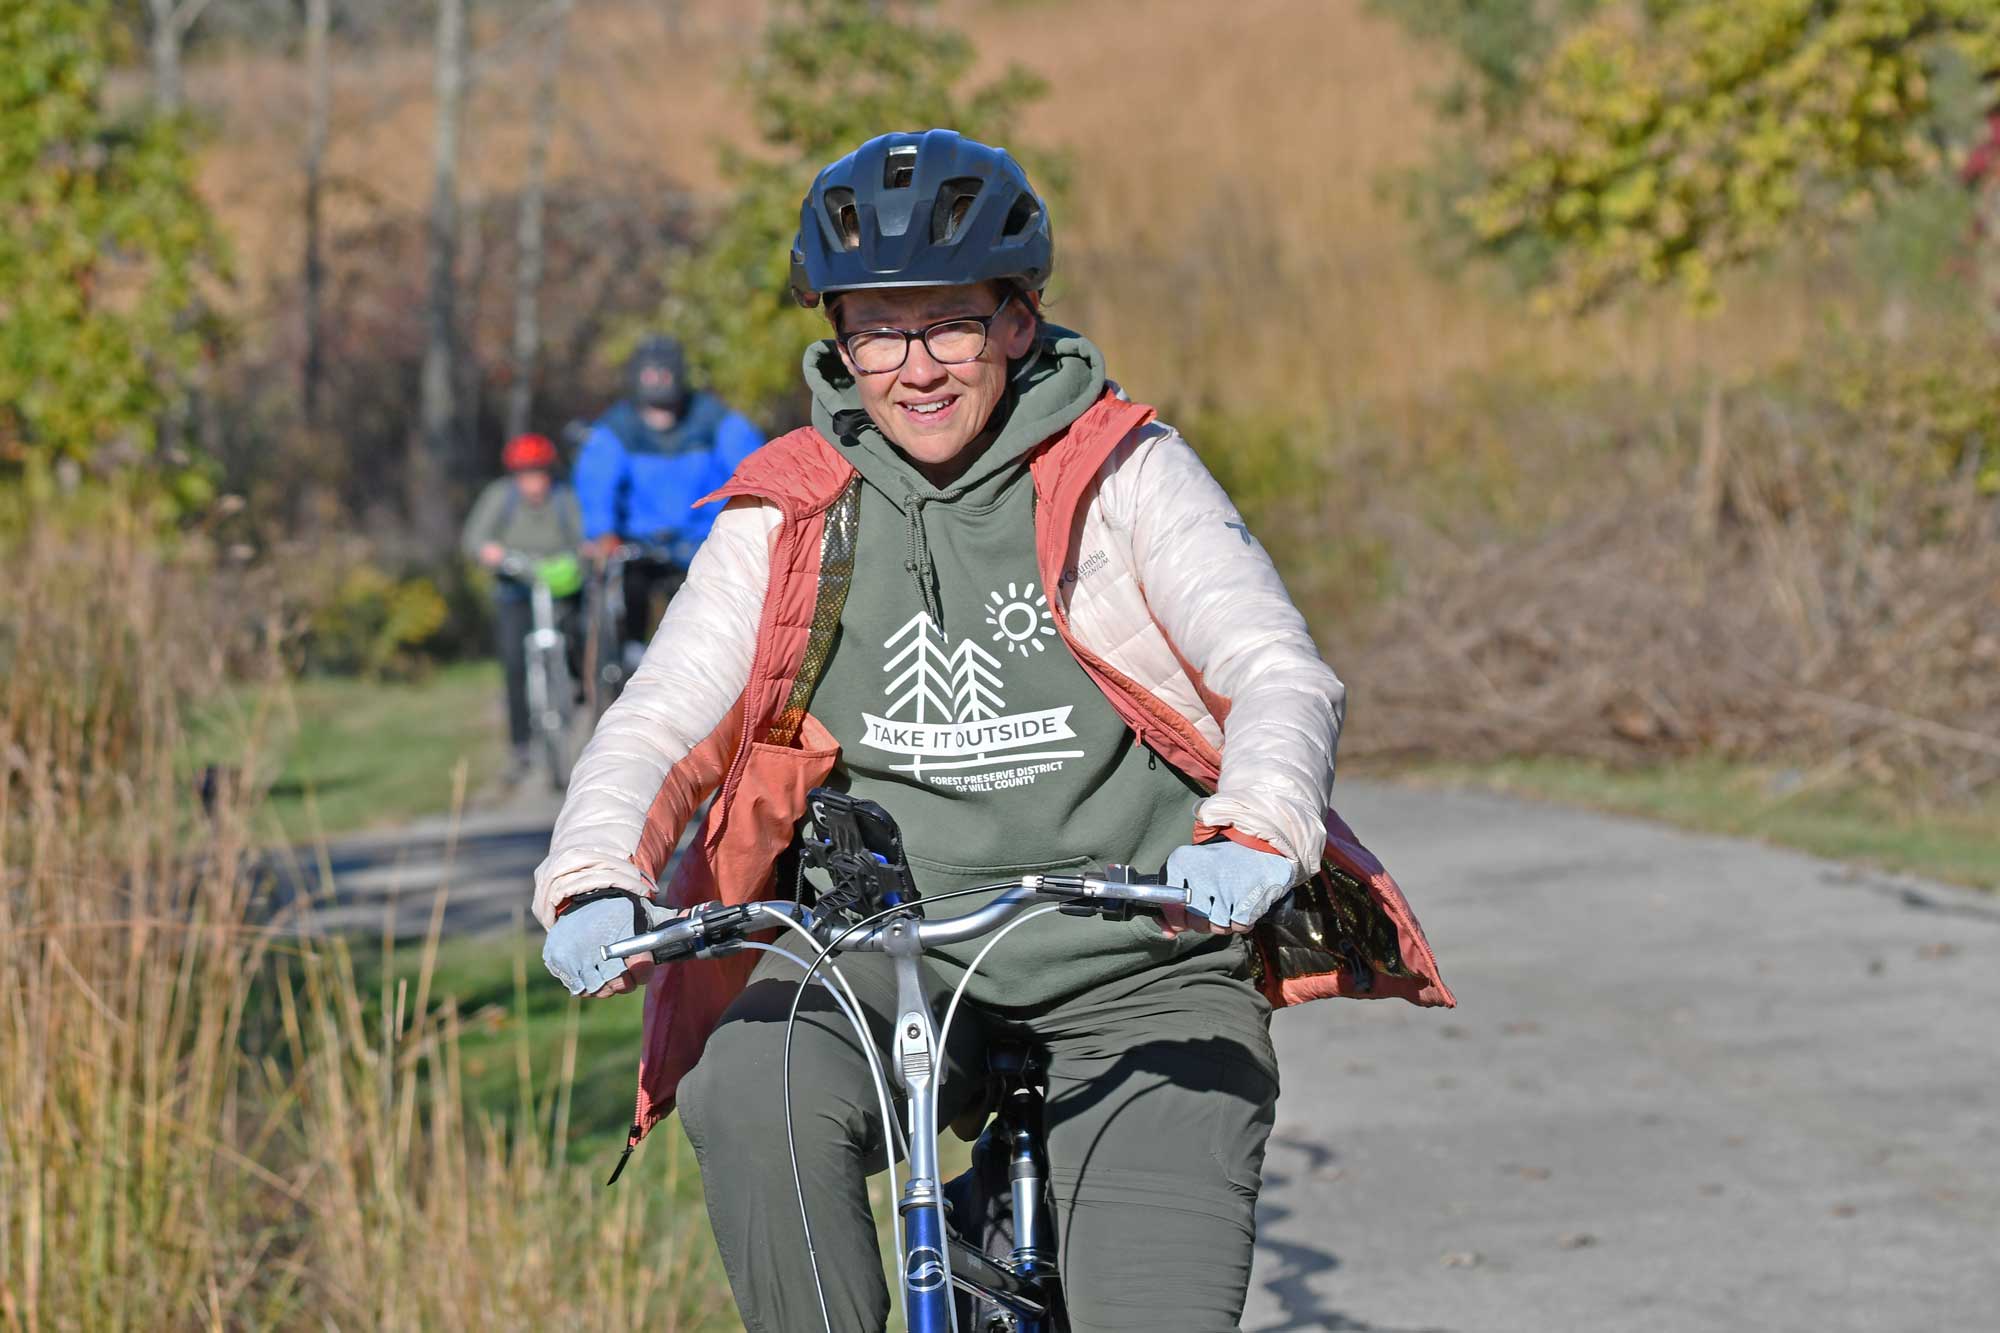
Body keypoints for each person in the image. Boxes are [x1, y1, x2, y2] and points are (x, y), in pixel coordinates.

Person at [533, 130, 1452, 1332]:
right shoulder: (795, 511)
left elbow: (1273, 671)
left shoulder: (1119, 471)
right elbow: (660, 718)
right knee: (748, 1086)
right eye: (876, 328)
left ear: (1017, 321)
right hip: (886, 953)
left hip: (1137, 959)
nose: (914, 368)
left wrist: (1252, 826)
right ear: (837, 336)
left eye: (950, 324)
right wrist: (594, 876)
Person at [571, 334, 764, 665]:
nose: (661, 416)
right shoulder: (615, 429)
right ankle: (632, 652)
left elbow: (755, 472)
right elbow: (596, 485)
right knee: (625, 582)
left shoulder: (715, 421)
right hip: (639, 544)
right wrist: (602, 533)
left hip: (705, 539)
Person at [461, 432, 585, 776]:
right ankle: (520, 746)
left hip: (560, 587)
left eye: (540, 473)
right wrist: (492, 554)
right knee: (514, 665)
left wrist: (580, 557)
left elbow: (584, 536)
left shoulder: (564, 498)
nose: (534, 483)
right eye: (526, 475)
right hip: (515, 588)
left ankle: (576, 685)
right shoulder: (500, 498)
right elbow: (473, 539)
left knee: (580, 634)